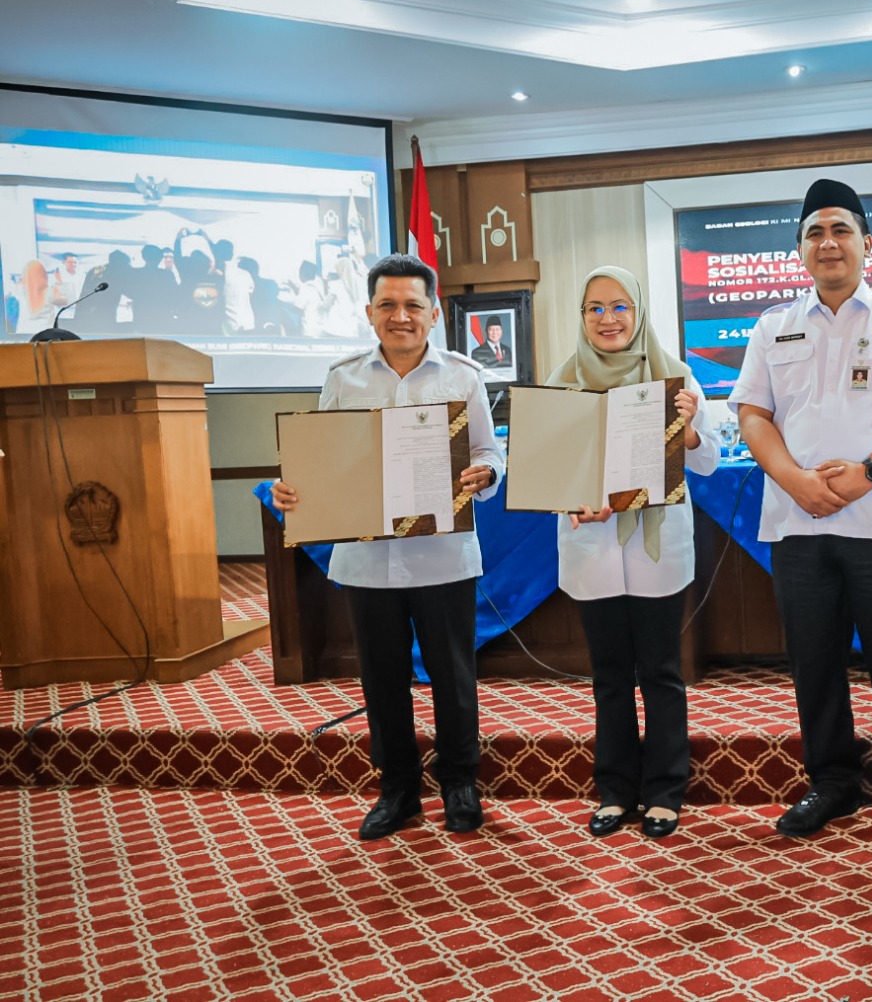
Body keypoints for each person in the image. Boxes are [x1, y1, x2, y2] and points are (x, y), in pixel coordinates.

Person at [729, 178, 872, 843]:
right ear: (799, 251)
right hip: (799, 523)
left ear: (866, 244)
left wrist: (869, 474)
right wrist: (794, 479)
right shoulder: (773, 326)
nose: (828, 244)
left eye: (841, 231)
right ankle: (831, 783)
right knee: (814, 662)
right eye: (815, 233)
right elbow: (753, 413)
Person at [270, 253, 504, 840]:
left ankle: (459, 783)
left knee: (454, 675)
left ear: (433, 312)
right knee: (381, 678)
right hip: (367, 560)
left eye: (413, 306)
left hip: (443, 555)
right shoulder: (344, 377)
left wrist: (485, 475)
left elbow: (487, 451)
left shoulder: (462, 376)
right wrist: (293, 486)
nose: (401, 316)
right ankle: (397, 789)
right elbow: (323, 460)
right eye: (388, 305)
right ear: (370, 312)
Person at [549, 266, 718, 840]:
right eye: (594, 308)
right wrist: (571, 497)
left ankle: (666, 790)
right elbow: (546, 472)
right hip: (592, 549)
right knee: (610, 677)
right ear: (582, 317)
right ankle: (616, 790)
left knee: (662, 673)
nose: (607, 319)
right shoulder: (560, 384)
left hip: (656, 550)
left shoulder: (676, 376)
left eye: (619, 306)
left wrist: (691, 430)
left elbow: (709, 461)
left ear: (639, 312)